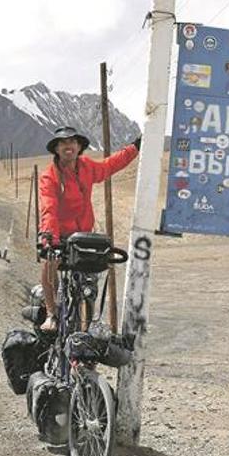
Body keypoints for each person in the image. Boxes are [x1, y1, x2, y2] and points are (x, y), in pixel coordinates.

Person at [37, 126, 141, 332]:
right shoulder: (50, 176)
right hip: (61, 236)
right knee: (50, 265)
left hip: (83, 234)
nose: (69, 146)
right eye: (63, 143)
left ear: (79, 147)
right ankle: (51, 314)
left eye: (73, 142)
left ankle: (86, 320)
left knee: (90, 279)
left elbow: (110, 165)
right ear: (56, 149)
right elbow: (49, 209)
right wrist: (50, 240)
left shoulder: (86, 167)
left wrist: (135, 148)